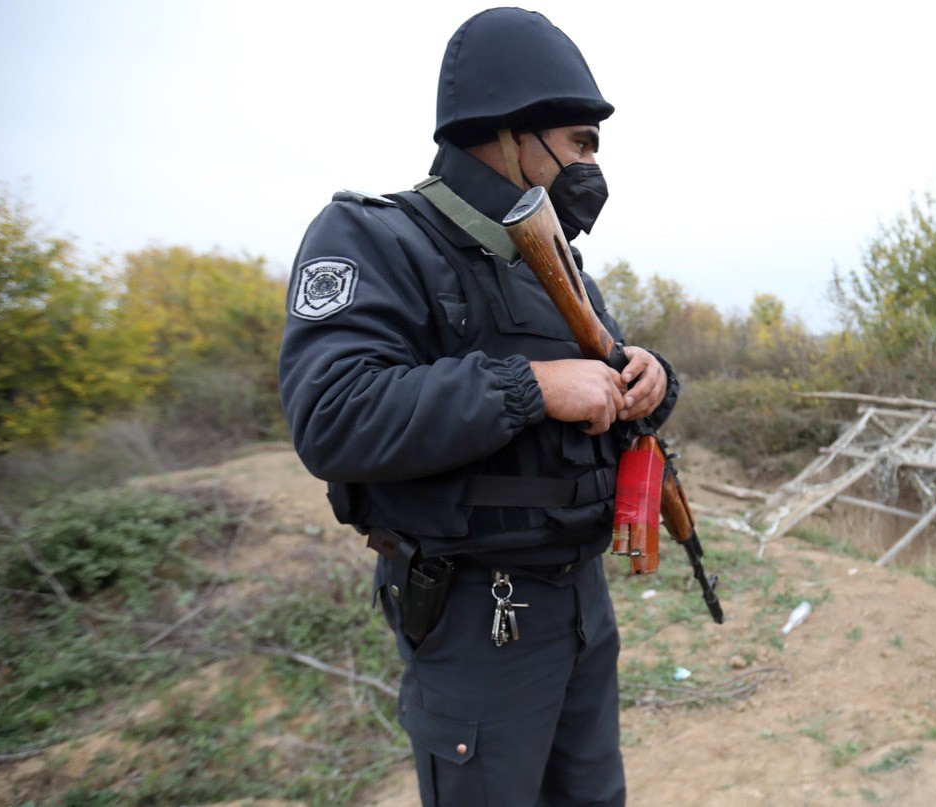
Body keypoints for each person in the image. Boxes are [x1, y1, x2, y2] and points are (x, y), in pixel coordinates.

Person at [278, 8, 676, 805]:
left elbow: (613, 389)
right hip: (477, 612)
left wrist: (653, 378)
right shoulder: (376, 237)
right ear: (509, 131)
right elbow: (334, 413)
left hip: (582, 602)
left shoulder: (561, 266)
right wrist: (530, 385)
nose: (591, 166)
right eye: (580, 143)